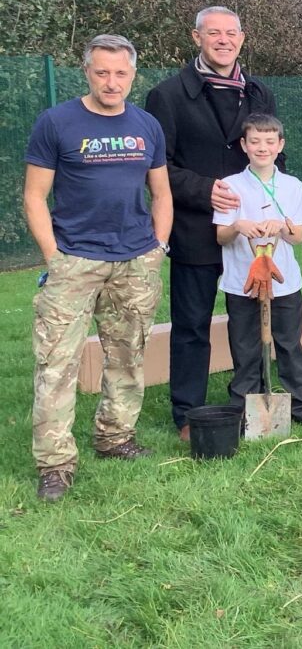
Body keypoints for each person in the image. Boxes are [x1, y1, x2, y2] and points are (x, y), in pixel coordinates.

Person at [24, 35, 172, 502]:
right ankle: (55, 463)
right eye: (102, 72)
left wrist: (158, 246)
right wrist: (54, 258)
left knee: (127, 356)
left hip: (135, 260)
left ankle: (115, 438)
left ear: (133, 75)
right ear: (86, 72)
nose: (112, 82)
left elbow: (162, 194)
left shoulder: (147, 125)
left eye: (120, 73)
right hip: (74, 260)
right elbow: (34, 196)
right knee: (56, 364)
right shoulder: (57, 122)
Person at [145, 6, 280, 440]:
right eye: (214, 33)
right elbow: (158, 166)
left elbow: (275, 155)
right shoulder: (167, 96)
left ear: (243, 38)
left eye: (231, 33)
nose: (224, 40)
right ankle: (188, 413)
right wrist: (204, 190)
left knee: (251, 319)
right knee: (191, 324)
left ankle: (253, 399)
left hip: (250, 232)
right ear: (197, 37)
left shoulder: (259, 93)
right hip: (195, 230)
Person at [214, 115, 302, 424]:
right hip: (242, 282)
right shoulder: (230, 186)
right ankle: (245, 410)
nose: (262, 148)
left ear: (280, 145)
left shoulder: (292, 186)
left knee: (289, 345)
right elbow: (221, 236)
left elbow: (298, 237)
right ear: (244, 146)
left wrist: (281, 226)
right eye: (255, 141)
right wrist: (238, 225)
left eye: (269, 141)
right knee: (245, 348)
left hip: (284, 282)